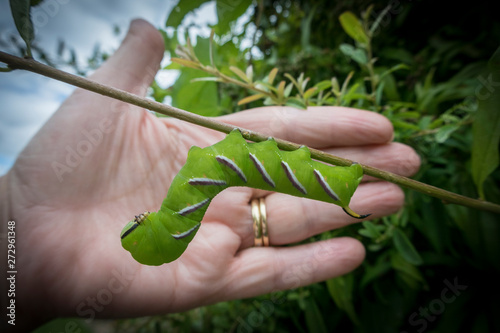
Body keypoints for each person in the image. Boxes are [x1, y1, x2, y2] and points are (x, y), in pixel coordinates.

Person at [0, 19, 420, 332]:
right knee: (275, 169)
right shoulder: (201, 178)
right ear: (159, 227)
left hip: (294, 178)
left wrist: (17, 222)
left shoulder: (187, 199)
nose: (138, 217)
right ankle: (339, 186)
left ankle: (339, 187)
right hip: (317, 180)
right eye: (139, 225)